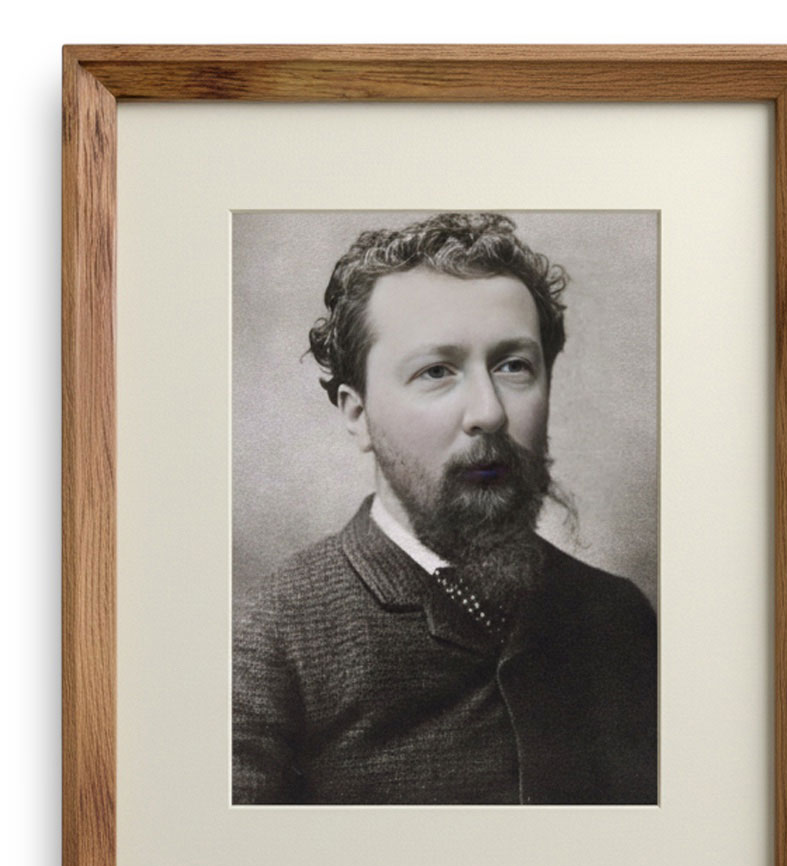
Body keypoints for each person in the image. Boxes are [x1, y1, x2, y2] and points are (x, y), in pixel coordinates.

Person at [233, 212, 657, 805]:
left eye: (513, 365)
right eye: (436, 371)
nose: (489, 412)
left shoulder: (618, 619)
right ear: (359, 415)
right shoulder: (270, 644)